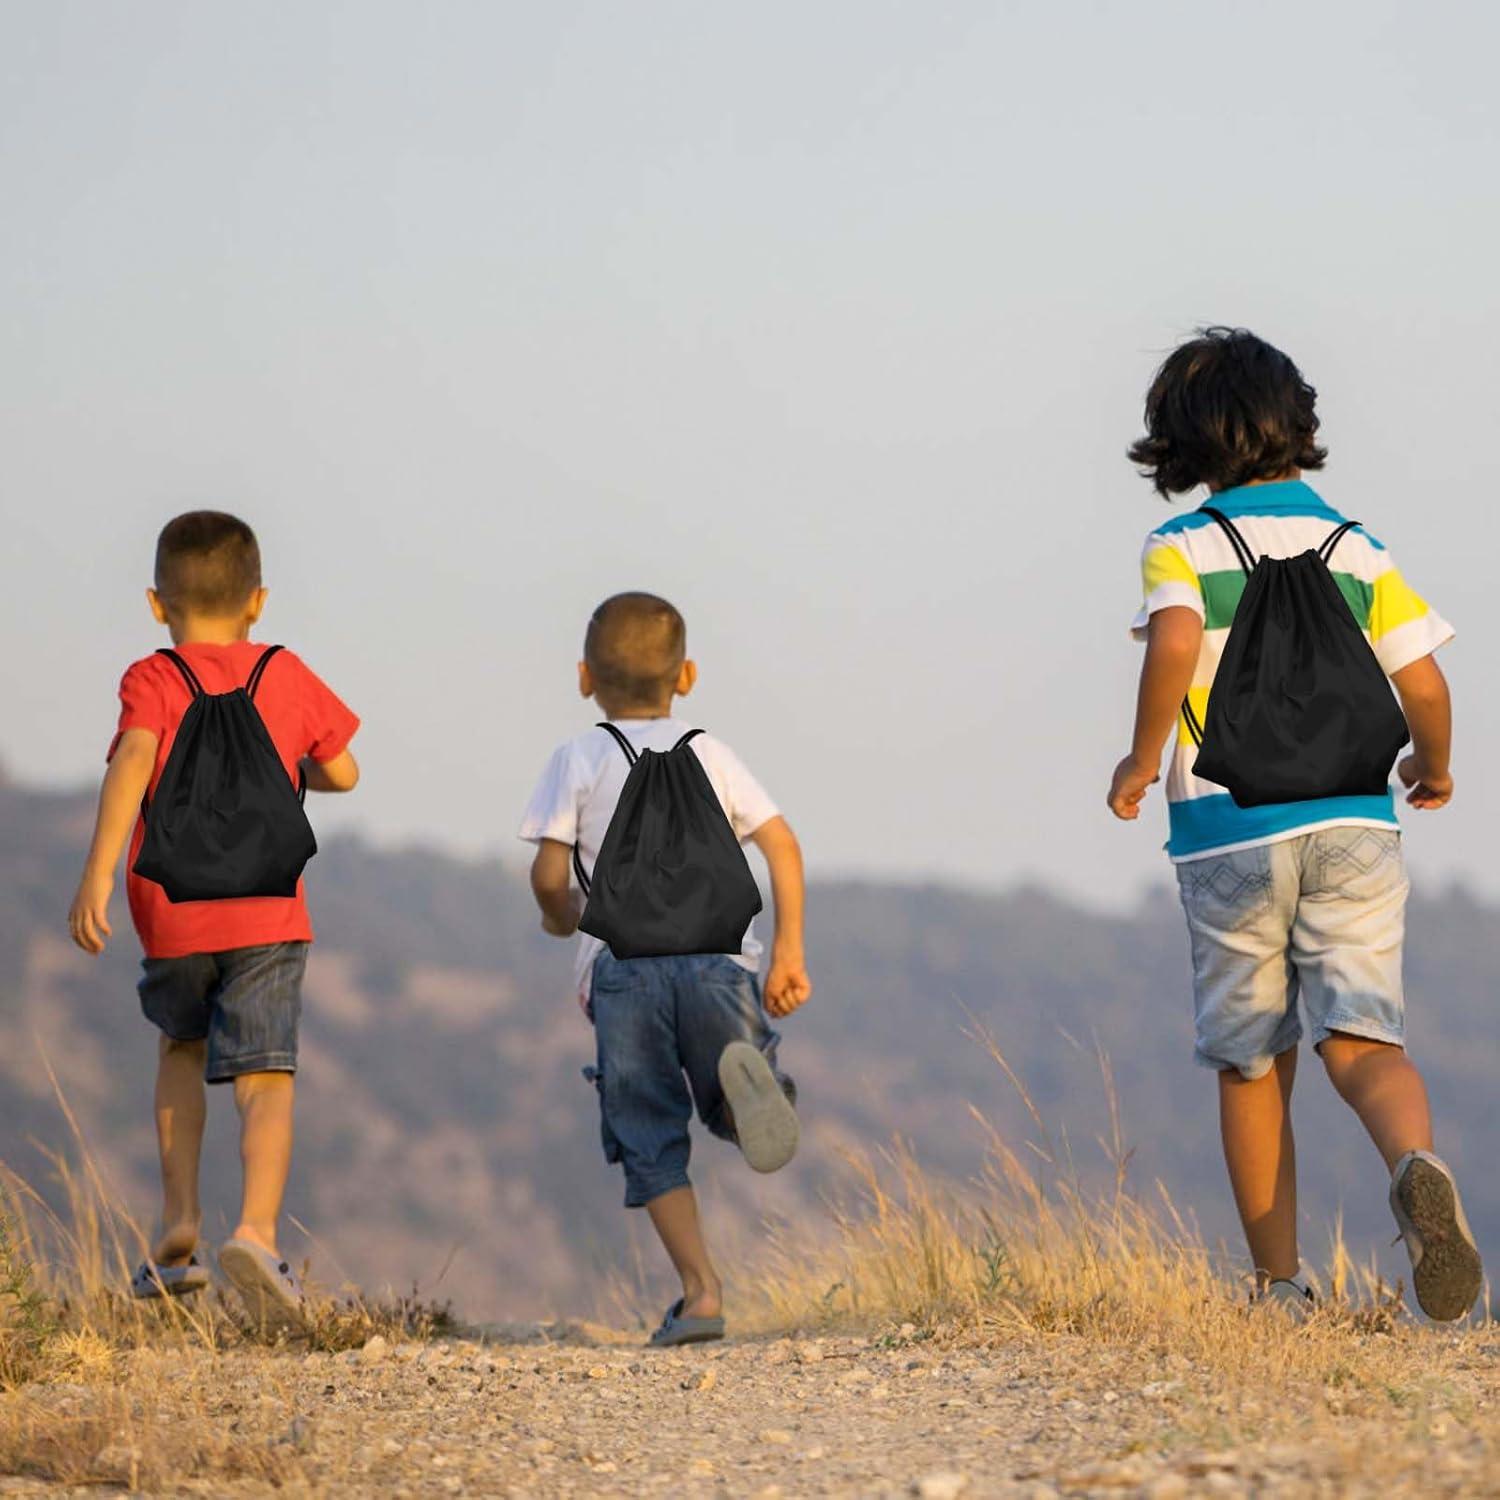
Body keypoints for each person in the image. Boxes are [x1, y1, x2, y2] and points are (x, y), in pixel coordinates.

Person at [1107, 327, 1481, 1321]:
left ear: (1181, 445)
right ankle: (1414, 1165)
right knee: (1364, 1046)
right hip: (1357, 824)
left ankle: (1279, 1286)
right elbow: (1427, 682)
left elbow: (1177, 641)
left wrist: (1143, 758)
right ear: (1295, 424)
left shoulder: (1180, 546)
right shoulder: (1355, 545)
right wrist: (1431, 766)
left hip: (1228, 835)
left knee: (1250, 1060)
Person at [67, 510, 360, 1329]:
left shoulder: (152, 678)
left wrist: (95, 871)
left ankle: (179, 1224)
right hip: (267, 908)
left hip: (172, 909)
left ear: (158, 605)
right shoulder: (285, 672)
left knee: (180, 1052)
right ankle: (257, 1236)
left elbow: (132, 760)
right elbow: (343, 771)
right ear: (257, 601)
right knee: (264, 1078)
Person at [519, 591, 811, 1346]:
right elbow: (783, 846)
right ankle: (752, 1100)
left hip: (623, 975)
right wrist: (786, 953)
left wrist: (562, 921)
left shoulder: (576, 759)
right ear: (687, 676)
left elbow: (551, 879)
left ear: (585, 678)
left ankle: (702, 1293)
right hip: (717, 963)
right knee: (726, 1091)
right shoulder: (712, 751)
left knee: (647, 1130)